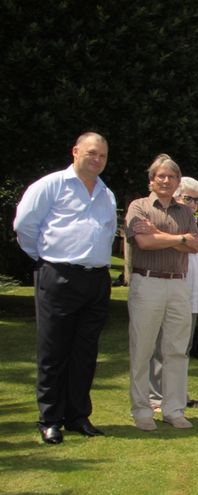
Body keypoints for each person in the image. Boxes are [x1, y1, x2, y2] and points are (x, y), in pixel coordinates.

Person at [13, 132, 116, 444]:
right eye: (92, 153)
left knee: (85, 352)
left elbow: (108, 232)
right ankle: (49, 419)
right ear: (75, 151)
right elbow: (24, 226)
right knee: (53, 351)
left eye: (102, 155)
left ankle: (77, 416)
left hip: (96, 280)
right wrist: (45, 259)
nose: (97, 159)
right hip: (58, 276)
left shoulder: (106, 194)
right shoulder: (51, 185)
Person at [125, 154, 198, 431]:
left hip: (178, 284)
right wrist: (179, 239)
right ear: (152, 180)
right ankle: (142, 411)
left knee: (176, 350)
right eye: (161, 176)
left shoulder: (185, 212)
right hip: (148, 283)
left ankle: (173, 409)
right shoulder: (139, 207)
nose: (166, 180)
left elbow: (195, 246)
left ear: (178, 181)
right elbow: (144, 242)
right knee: (142, 349)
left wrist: (160, 235)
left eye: (171, 176)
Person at [149, 177, 198, 410]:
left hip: (193, 298)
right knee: (163, 347)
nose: (193, 204)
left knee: (182, 349)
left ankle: (177, 394)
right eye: (188, 198)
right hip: (171, 292)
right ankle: (156, 396)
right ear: (175, 196)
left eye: (197, 200)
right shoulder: (168, 222)